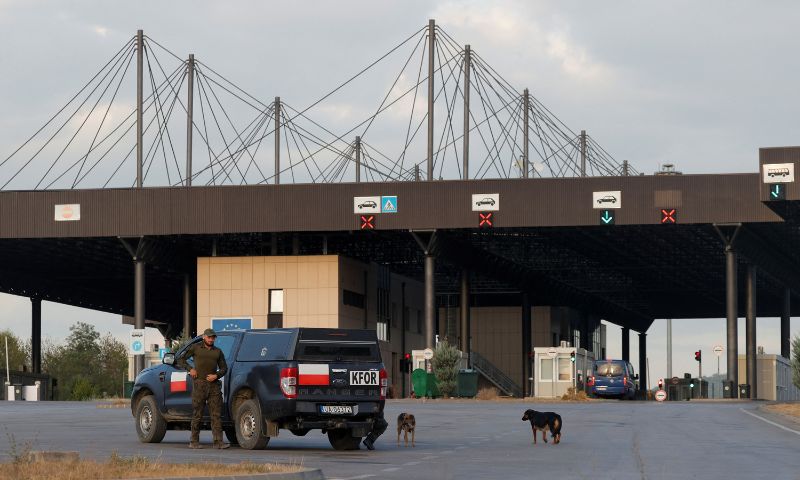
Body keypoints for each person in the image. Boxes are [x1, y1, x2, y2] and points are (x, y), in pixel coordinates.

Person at [178, 328, 229, 449]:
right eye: (209, 337)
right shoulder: (195, 348)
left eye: (213, 337)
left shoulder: (218, 351)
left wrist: (216, 375)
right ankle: (194, 441)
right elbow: (180, 359)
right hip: (199, 384)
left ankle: (218, 442)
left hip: (214, 386)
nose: (211, 339)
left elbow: (224, 368)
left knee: (216, 415)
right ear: (204, 337)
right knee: (197, 414)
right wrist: (190, 369)